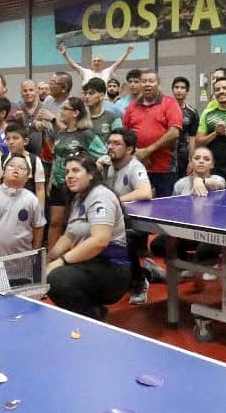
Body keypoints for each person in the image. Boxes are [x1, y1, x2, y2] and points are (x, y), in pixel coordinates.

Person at [46, 153, 132, 320]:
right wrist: (48, 259)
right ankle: (90, 312)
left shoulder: (100, 196)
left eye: (76, 171)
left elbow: (99, 241)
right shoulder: (79, 198)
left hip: (112, 269)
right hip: (90, 264)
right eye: (67, 172)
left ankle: (91, 316)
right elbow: (68, 236)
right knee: (48, 273)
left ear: (91, 174)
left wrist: (60, 261)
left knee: (57, 279)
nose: (69, 176)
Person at [99, 128, 155, 304]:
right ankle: (148, 271)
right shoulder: (106, 164)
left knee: (123, 242)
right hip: (114, 221)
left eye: (117, 144)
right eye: (109, 143)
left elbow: (145, 192)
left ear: (129, 149)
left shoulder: (135, 167)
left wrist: (115, 200)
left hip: (135, 225)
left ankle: (140, 283)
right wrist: (94, 168)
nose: (110, 147)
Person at [47, 97, 108, 249]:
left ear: (75, 113)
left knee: (72, 224)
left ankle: (71, 254)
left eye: (64, 109)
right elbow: (56, 158)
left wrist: (95, 168)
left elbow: (104, 154)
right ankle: (50, 256)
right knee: (55, 222)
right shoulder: (60, 134)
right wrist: (50, 181)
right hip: (57, 183)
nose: (61, 112)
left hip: (77, 186)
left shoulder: (86, 134)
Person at [0, 154, 45, 261]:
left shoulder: (32, 200)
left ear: (27, 177)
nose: (16, 169)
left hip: (22, 259)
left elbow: (38, 227)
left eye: (22, 168)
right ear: (3, 171)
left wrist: (35, 251)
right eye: (11, 166)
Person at [123, 70, 184, 192]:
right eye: (144, 81)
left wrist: (147, 151)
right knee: (139, 206)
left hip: (164, 169)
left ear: (158, 84)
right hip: (138, 166)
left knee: (165, 207)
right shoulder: (132, 107)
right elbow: (125, 134)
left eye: (151, 81)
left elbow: (174, 132)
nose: (147, 84)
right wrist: (137, 153)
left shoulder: (170, 103)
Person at [57, 40, 134, 89]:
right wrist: (65, 55)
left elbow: (117, 64)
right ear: (92, 64)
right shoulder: (86, 72)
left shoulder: (107, 72)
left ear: (103, 63)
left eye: (98, 61)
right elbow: (74, 66)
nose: (96, 62)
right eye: (94, 61)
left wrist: (127, 53)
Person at [169, 75, 200, 185]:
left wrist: (191, 160)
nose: (179, 90)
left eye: (182, 88)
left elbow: (192, 138)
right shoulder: (165, 109)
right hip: (166, 154)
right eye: (176, 87)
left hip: (182, 155)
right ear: (172, 90)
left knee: (182, 185)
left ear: (187, 91)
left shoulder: (192, 112)